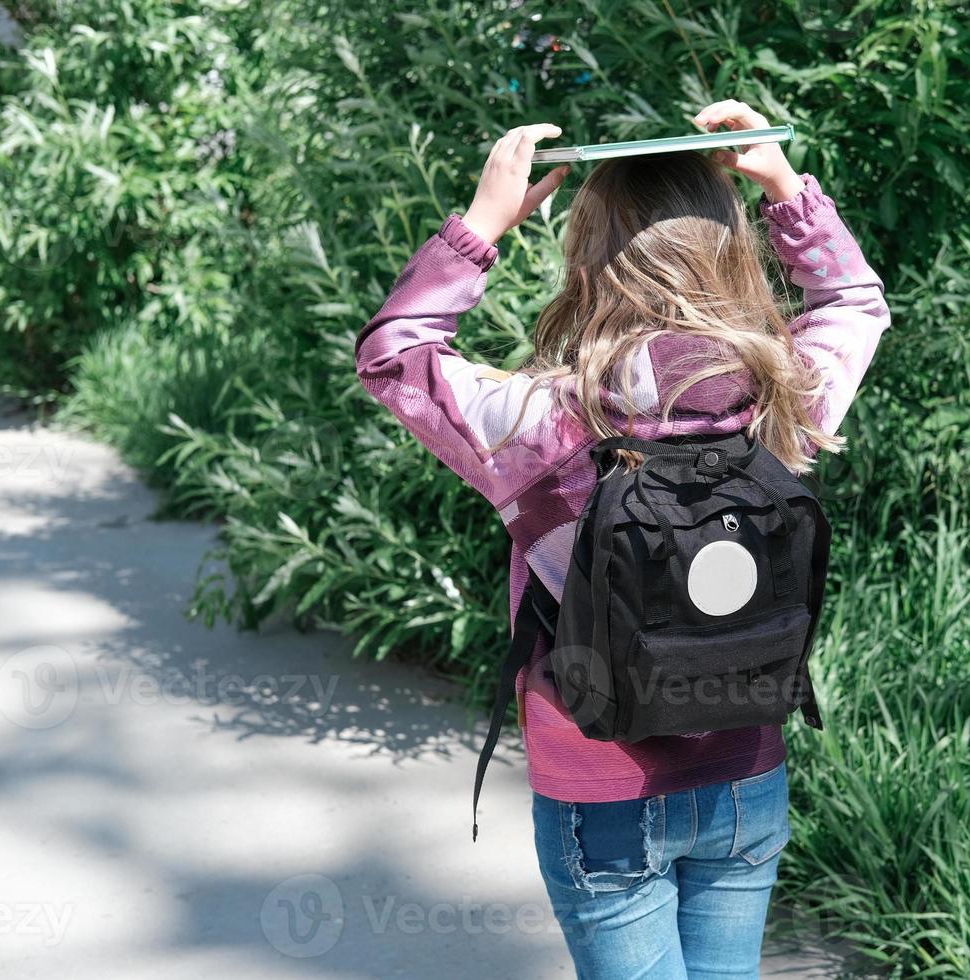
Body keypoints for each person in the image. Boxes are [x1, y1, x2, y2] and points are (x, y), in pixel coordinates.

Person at [355, 98, 890, 979]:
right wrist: (786, 186)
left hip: (598, 785)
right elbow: (854, 302)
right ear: (729, 250)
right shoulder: (785, 398)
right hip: (746, 771)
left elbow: (395, 354)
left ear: (587, 259)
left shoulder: (541, 423)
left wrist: (479, 229)